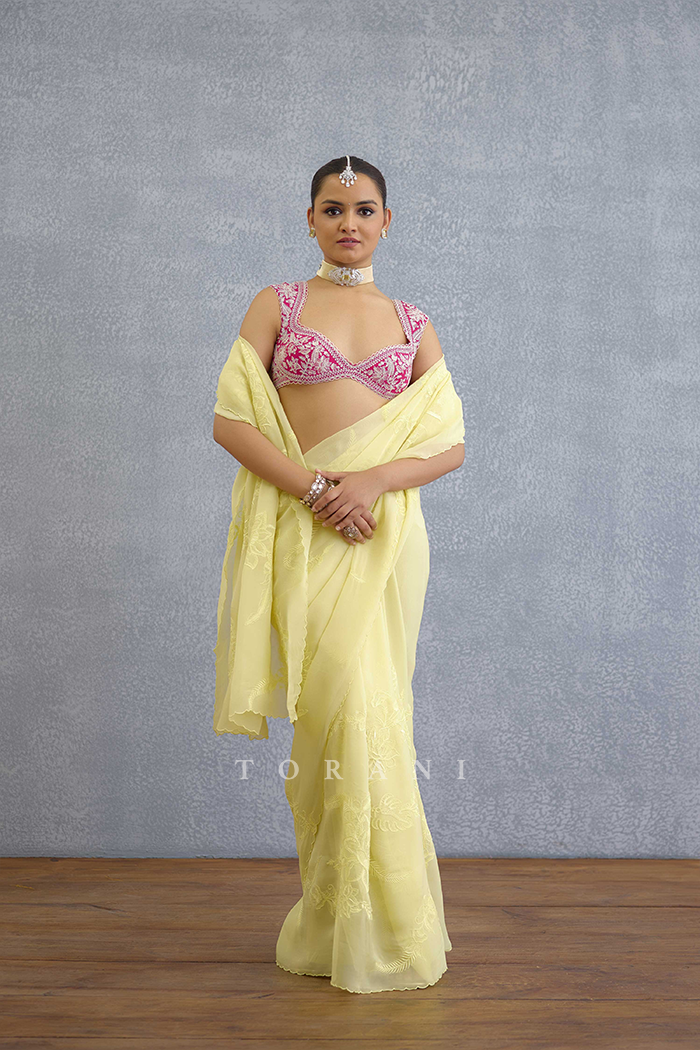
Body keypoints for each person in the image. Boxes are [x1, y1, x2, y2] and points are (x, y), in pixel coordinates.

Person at [212, 155, 465, 994]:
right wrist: (320, 490)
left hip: (382, 539)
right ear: (310, 219)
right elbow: (233, 421)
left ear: (387, 221)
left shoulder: (413, 322)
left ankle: (386, 926)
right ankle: (335, 916)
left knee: (377, 713)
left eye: (363, 209)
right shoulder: (277, 305)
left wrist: (374, 482)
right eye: (332, 208)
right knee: (331, 718)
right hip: (306, 531)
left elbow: (449, 443)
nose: (348, 223)